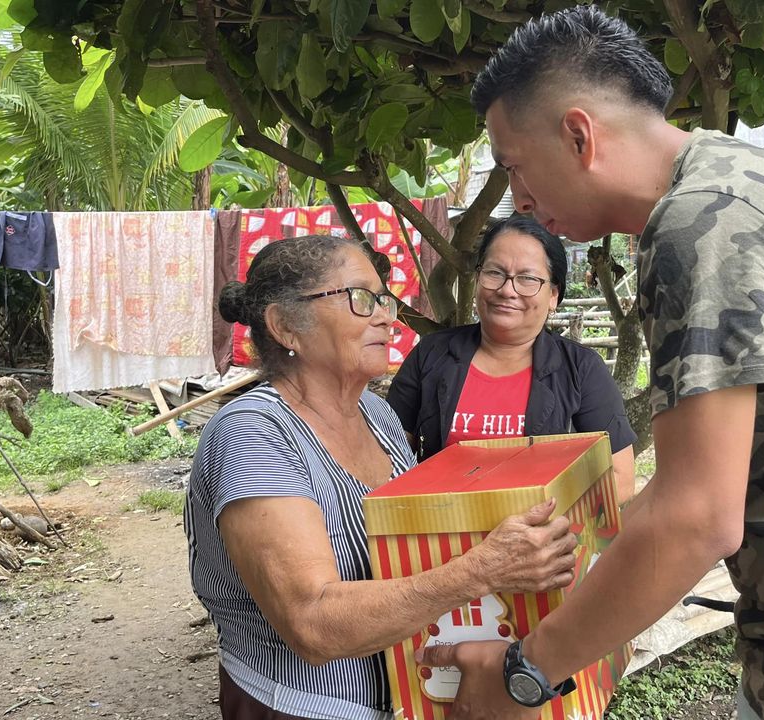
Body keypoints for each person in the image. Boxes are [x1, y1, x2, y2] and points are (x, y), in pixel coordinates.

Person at [415, 7, 764, 720]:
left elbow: (697, 518)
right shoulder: (739, 178)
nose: (518, 198)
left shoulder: (703, 222)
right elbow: (692, 486)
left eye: (514, 165)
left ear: (578, 135)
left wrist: (524, 674)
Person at [184, 235, 578, 720]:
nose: (386, 317)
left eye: (384, 299)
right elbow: (313, 624)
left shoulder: (375, 414)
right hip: (304, 707)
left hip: (401, 695)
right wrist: (482, 570)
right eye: (360, 298)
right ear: (285, 325)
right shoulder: (253, 435)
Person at [387, 215, 637, 504]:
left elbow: (620, 478)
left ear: (553, 295)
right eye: (495, 273)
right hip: (441, 526)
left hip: (541, 528)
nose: (507, 290)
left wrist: (533, 520)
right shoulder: (431, 354)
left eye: (527, 278)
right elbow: (389, 459)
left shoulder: (581, 369)